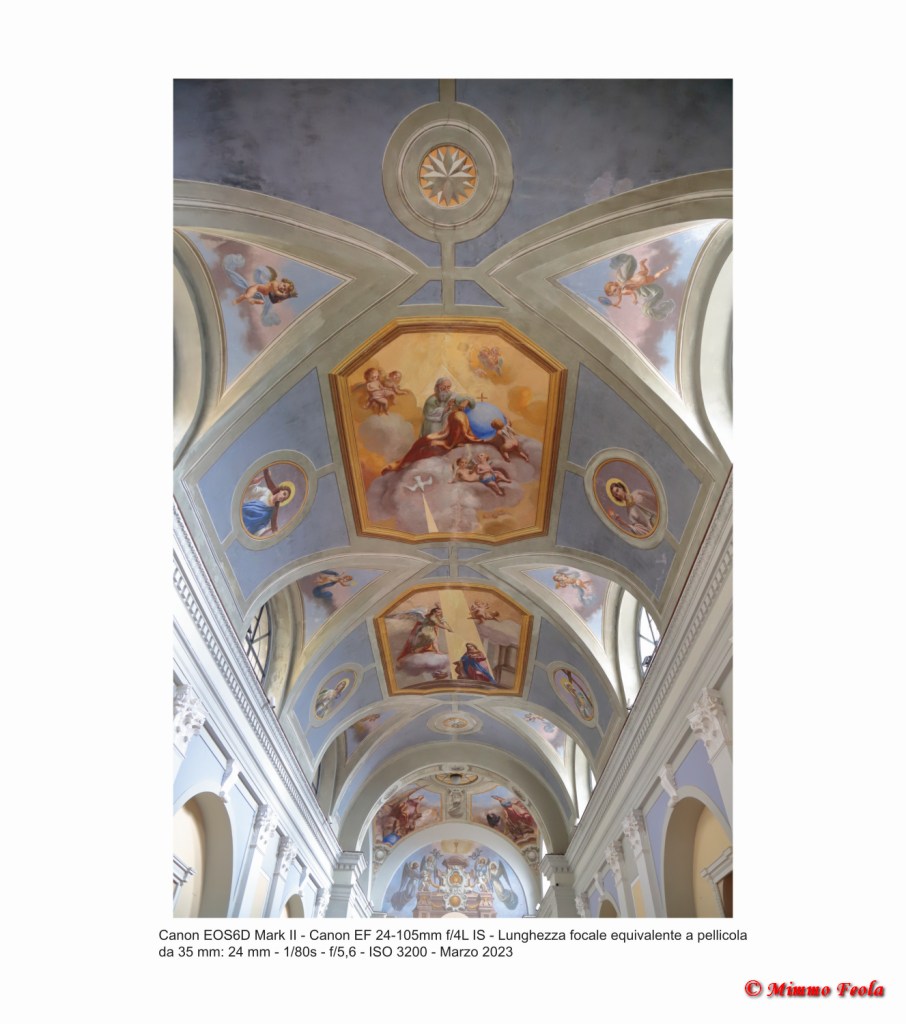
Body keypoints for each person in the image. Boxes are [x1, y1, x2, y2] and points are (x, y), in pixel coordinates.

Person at [383, 397, 482, 474]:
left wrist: (465, 401)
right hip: (442, 434)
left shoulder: (459, 418)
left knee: (427, 446)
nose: (445, 389)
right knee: (424, 441)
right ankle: (401, 464)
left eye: (447, 387)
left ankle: (403, 465)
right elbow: (433, 417)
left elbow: (458, 434)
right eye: (443, 387)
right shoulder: (437, 404)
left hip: (445, 440)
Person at [241, 467, 293, 536]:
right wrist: (260, 478)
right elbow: (251, 492)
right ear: (280, 490)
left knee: (265, 516)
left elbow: (273, 523)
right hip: (246, 512)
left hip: (254, 526)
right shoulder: (266, 492)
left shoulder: (275, 509)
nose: (283, 497)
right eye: (284, 494)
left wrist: (275, 531)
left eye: (285, 498)